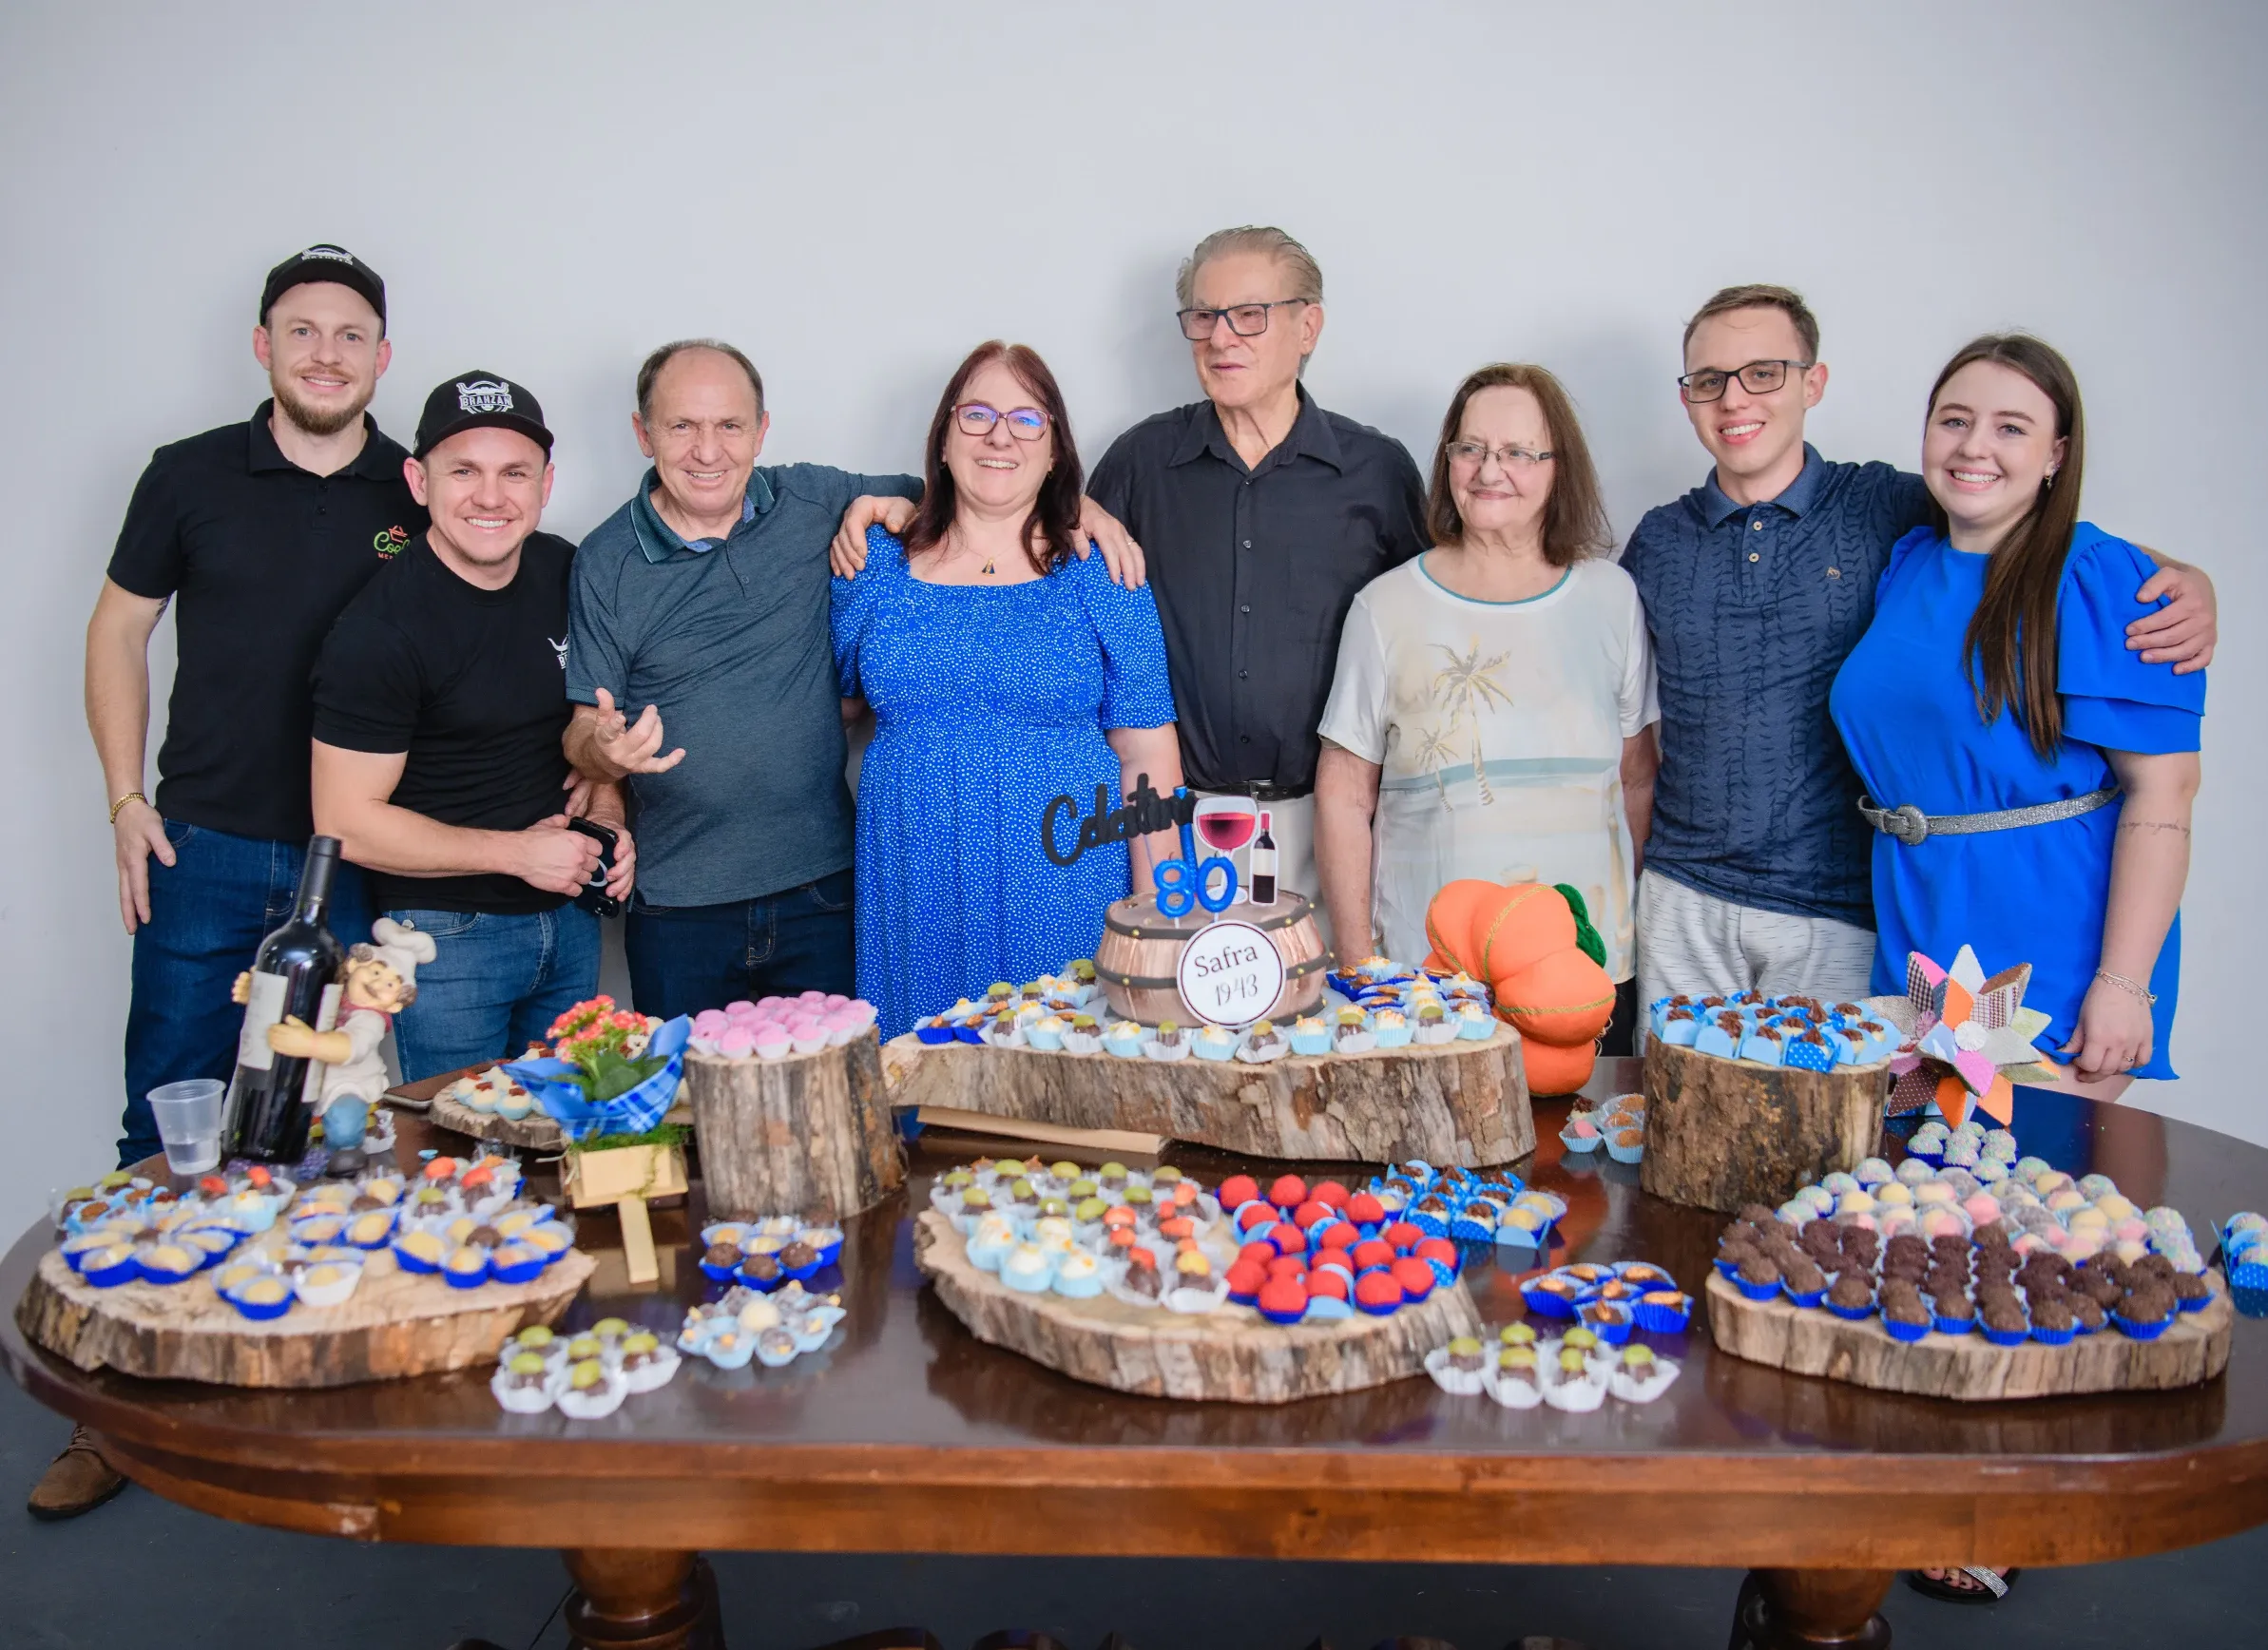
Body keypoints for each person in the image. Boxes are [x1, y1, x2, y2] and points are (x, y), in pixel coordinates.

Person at [1834, 338, 2202, 1612]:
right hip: (1922, 927)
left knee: (2031, 1218)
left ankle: (2003, 1507)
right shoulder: (1906, 559)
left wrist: (2124, 982)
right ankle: (1932, 1483)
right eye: (1953, 418)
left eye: (2008, 426)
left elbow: (2163, 795)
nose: (1973, 446)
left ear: (2057, 452)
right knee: (1937, 1208)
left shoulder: (2105, 582)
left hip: (2044, 937)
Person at [52, 243, 416, 1524]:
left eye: (351, 334)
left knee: (336, 1129)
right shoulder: (188, 473)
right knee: (165, 1124)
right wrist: (123, 800)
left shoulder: (414, 485)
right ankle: (117, 1412)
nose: (327, 353)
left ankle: (299, 1388)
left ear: (383, 356)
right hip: (202, 846)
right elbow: (117, 628)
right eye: (302, 330)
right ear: (263, 345)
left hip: (356, 861)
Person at [1623, 285, 2216, 1020]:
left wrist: (2188, 581)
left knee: (1855, 1098)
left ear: (1813, 382)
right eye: (1709, 379)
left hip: (1844, 909)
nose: (1734, 398)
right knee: (1684, 1094)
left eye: (1764, 372)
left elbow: (2036, 529)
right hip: (1685, 897)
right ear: (1687, 397)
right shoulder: (1658, 540)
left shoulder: (1887, 507)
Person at [831, 226, 1427, 952]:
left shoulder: (1378, 472)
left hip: (1332, 824)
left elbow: (1419, 634)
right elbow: (1028, 519)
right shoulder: (1142, 462)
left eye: (1249, 314)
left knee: (1335, 1014)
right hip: (1181, 820)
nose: (1221, 336)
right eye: (1203, 316)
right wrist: (907, 505)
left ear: (1308, 327)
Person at [566, 341, 1144, 1022]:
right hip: (682, 897)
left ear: (761, 430)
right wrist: (603, 755)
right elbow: (584, 729)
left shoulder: (812, 499)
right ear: (643, 434)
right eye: (681, 426)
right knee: (696, 1087)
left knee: (848, 1085)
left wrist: (1080, 507)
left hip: (823, 890)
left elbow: (988, 482)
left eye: (729, 425)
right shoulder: (605, 560)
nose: (708, 450)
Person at [831, 342, 1180, 1037]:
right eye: (978, 415)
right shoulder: (873, 566)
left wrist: (1158, 919)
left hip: (1065, 878)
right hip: (916, 882)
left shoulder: (1103, 569)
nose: (999, 436)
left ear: (1054, 451)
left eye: (1027, 419)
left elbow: (1148, 757)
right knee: (924, 1079)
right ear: (942, 440)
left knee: (1058, 1078)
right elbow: (833, 713)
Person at [1315, 365, 1658, 1045]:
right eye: (1469, 448)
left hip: (1584, 972)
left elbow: (1636, 778)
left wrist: (1621, 922)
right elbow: (1345, 795)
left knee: (1584, 1118)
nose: (1488, 470)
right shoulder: (1385, 607)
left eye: (1518, 452)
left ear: (1560, 467)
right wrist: (1360, 967)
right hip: (1426, 979)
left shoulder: (1611, 597)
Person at [310, 373, 633, 1081]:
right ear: (418, 481)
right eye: (464, 472)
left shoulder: (565, 570)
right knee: (461, 1136)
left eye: (514, 472)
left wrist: (609, 812)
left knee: (572, 1132)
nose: (491, 496)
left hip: (571, 917)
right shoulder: (378, 632)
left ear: (546, 484)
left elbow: (597, 722)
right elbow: (345, 822)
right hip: (447, 940)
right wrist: (518, 854)